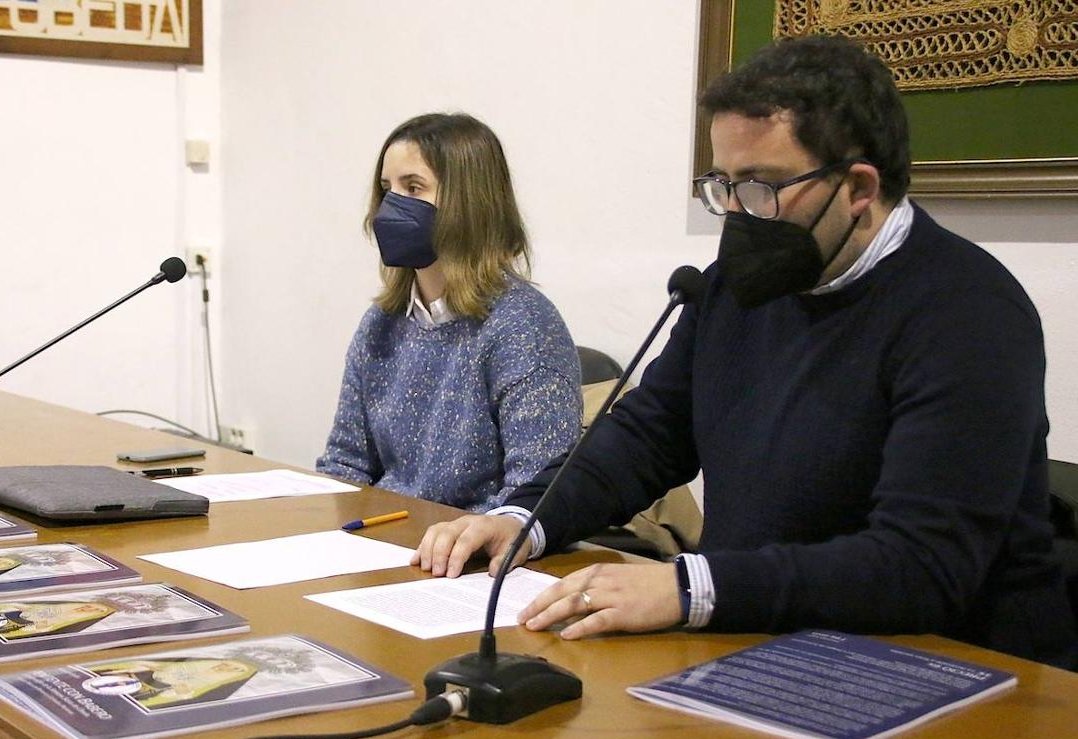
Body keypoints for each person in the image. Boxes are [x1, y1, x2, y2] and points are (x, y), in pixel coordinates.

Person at [412, 37, 1078, 668]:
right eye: (722, 185)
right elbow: (651, 434)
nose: (736, 213)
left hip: (950, 664)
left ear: (859, 188)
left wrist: (689, 586)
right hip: (762, 634)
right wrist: (526, 519)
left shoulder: (967, 310)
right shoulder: (742, 280)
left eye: (761, 187)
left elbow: (921, 565)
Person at [316, 113, 582, 513]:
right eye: (387, 189)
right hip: (383, 542)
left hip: (467, 555)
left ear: (468, 202)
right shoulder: (382, 323)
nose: (391, 207)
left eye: (414, 187)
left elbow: (534, 496)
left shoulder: (523, 323)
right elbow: (345, 464)